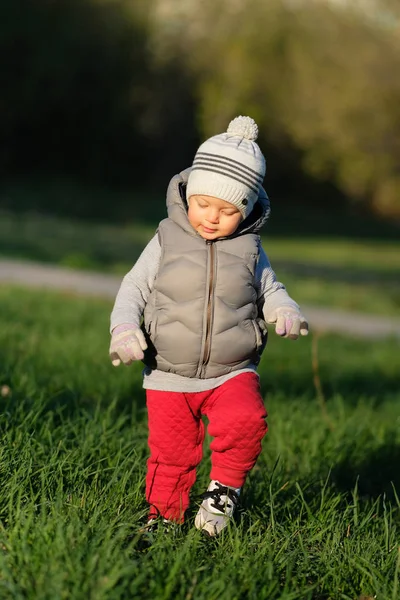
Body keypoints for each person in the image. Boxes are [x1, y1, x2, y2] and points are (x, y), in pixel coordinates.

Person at [109, 116, 308, 537]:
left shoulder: (250, 248)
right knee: (171, 453)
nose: (212, 218)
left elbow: (271, 288)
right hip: (168, 371)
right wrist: (124, 329)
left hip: (232, 367)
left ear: (249, 208)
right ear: (188, 193)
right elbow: (133, 288)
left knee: (246, 420)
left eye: (228, 210)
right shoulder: (166, 238)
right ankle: (162, 520)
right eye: (204, 204)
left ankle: (222, 494)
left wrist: (285, 309)